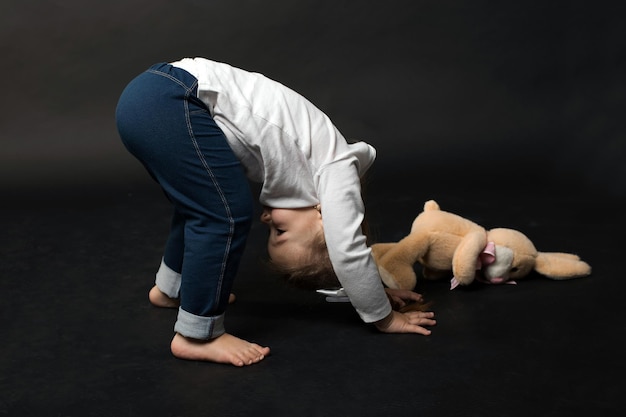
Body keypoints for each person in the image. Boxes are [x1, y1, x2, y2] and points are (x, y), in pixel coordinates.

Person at [115, 58, 436, 367]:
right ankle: (198, 335)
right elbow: (347, 252)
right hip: (172, 97)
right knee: (226, 215)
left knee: (200, 208)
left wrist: (373, 289)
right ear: (325, 217)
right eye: (280, 231)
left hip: (152, 96)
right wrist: (383, 315)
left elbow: (338, 257)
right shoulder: (335, 168)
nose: (266, 219)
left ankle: (171, 290)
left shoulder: (312, 164)